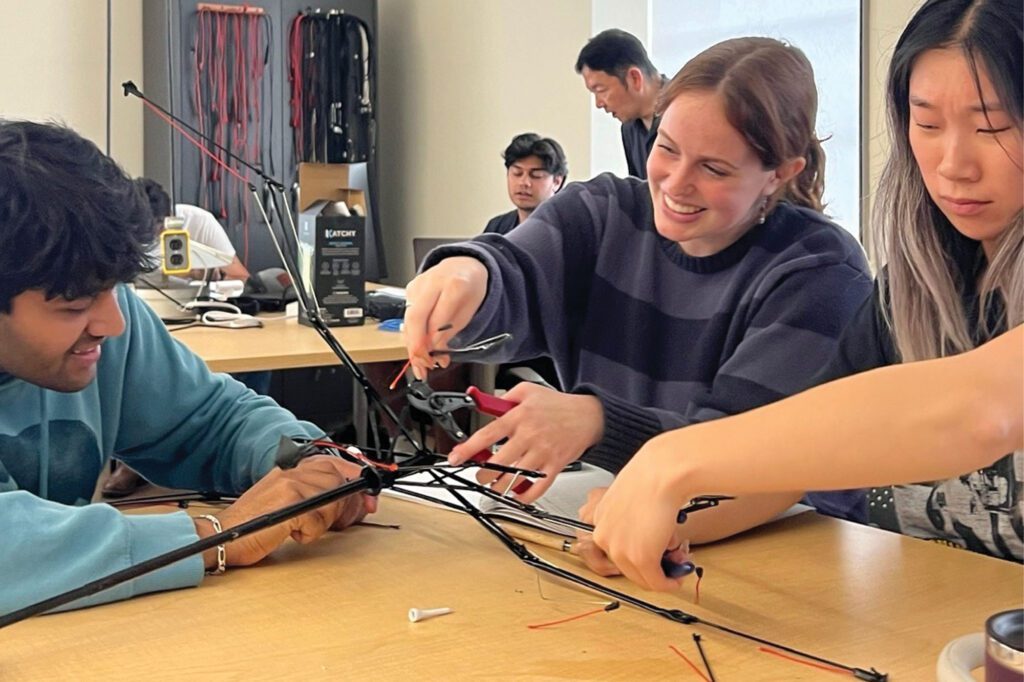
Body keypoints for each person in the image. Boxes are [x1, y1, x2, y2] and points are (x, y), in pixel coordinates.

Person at [585, 0, 1023, 591]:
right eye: (926, 124)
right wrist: (670, 519)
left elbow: (978, 411)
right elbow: (796, 466)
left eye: (992, 128)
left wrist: (675, 460)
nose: (952, 165)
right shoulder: (914, 287)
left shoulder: (822, 266)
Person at [404, 37, 873, 540]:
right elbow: (514, 272)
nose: (675, 183)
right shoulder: (604, 211)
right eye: (666, 148)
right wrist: (468, 273)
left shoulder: (821, 273)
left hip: (795, 546)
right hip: (631, 514)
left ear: (780, 174)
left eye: (713, 168)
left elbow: (744, 455)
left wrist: (598, 422)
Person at [0, 120, 376, 615]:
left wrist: (308, 462)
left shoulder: (114, 320)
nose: (113, 324)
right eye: (74, 306)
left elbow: (210, 421)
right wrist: (218, 535)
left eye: (115, 289)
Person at [576, 29, 665, 179]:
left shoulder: (685, 113)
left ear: (634, 78)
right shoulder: (629, 127)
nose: (598, 103)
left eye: (601, 90)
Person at [135, 177, 250, 281]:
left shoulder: (200, 221)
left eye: (157, 228)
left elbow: (240, 277)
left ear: (170, 216)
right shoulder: (127, 231)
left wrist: (201, 275)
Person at [483, 133, 568, 236]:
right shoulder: (496, 227)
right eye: (517, 173)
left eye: (536, 175)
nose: (524, 183)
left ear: (557, 182)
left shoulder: (571, 229)